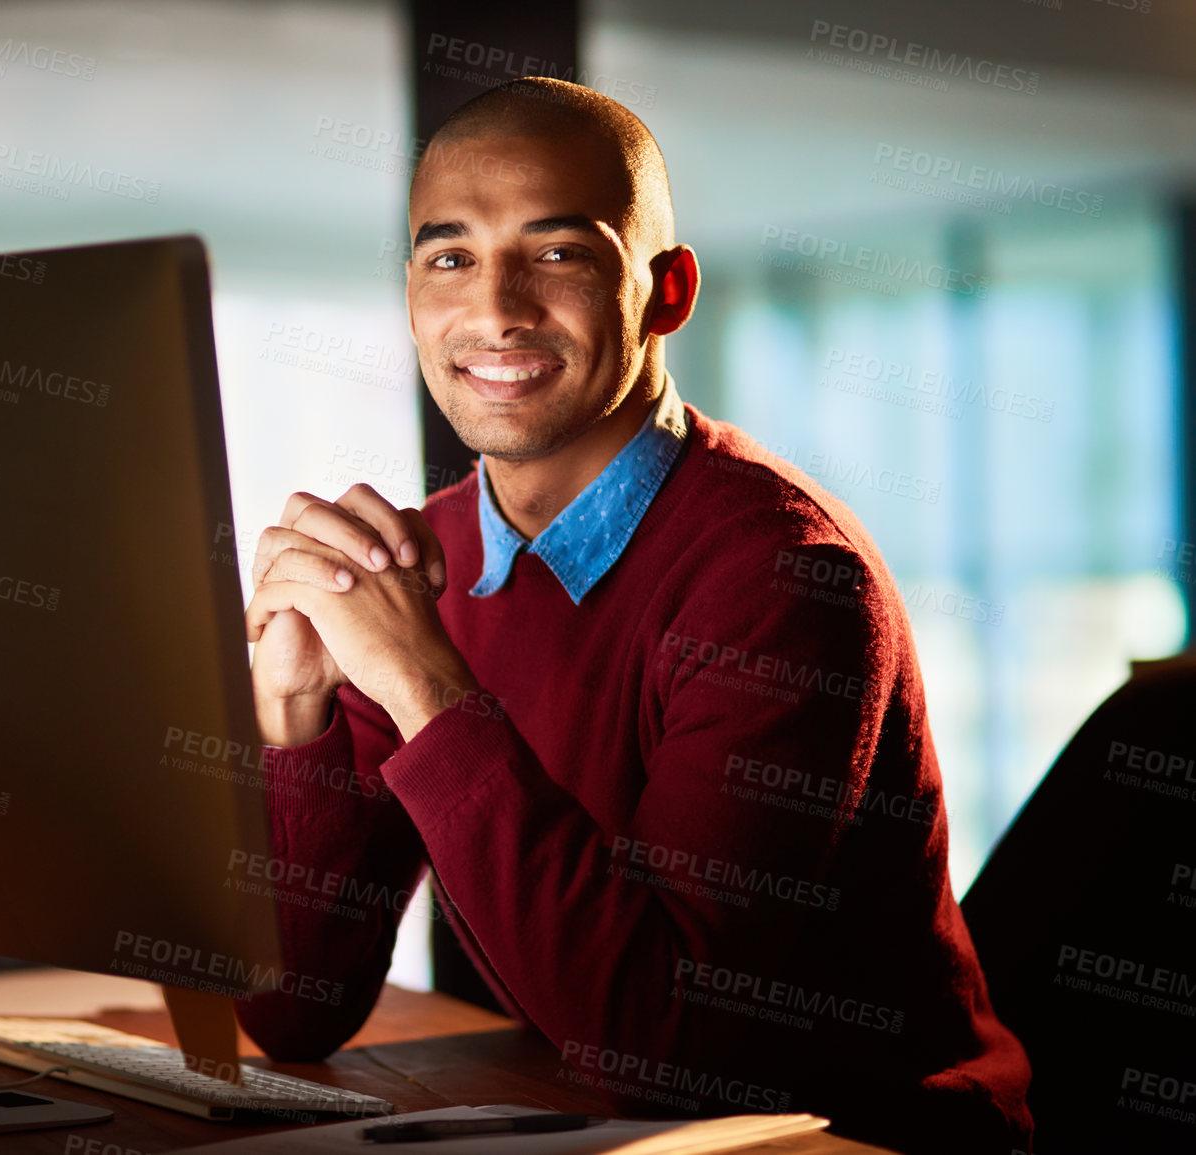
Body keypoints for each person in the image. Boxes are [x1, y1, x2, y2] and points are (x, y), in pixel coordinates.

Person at [234, 77, 1032, 1155]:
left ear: (667, 290)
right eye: (450, 257)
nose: (496, 309)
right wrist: (296, 718)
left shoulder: (786, 576)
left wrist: (423, 685)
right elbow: (293, 1013)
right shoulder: (428, 556)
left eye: (560, 253)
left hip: (852, 1141)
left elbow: (673, 1049)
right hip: (584, 1113)